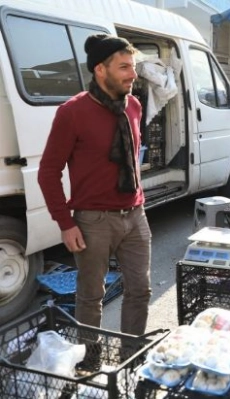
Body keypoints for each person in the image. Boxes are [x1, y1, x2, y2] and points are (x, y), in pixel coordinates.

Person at [37, 34, 152, 336]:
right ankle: (89, 360)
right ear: (101, 70)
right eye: (124, 67)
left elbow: (132, 158)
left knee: (140, 290)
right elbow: (48, 171)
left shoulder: (135, 106)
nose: (133, 74)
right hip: (93, 220)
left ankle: (132, 356)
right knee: (90, 297)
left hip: (135, 214)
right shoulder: (72, 112)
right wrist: (65, 222)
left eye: (133, 66)